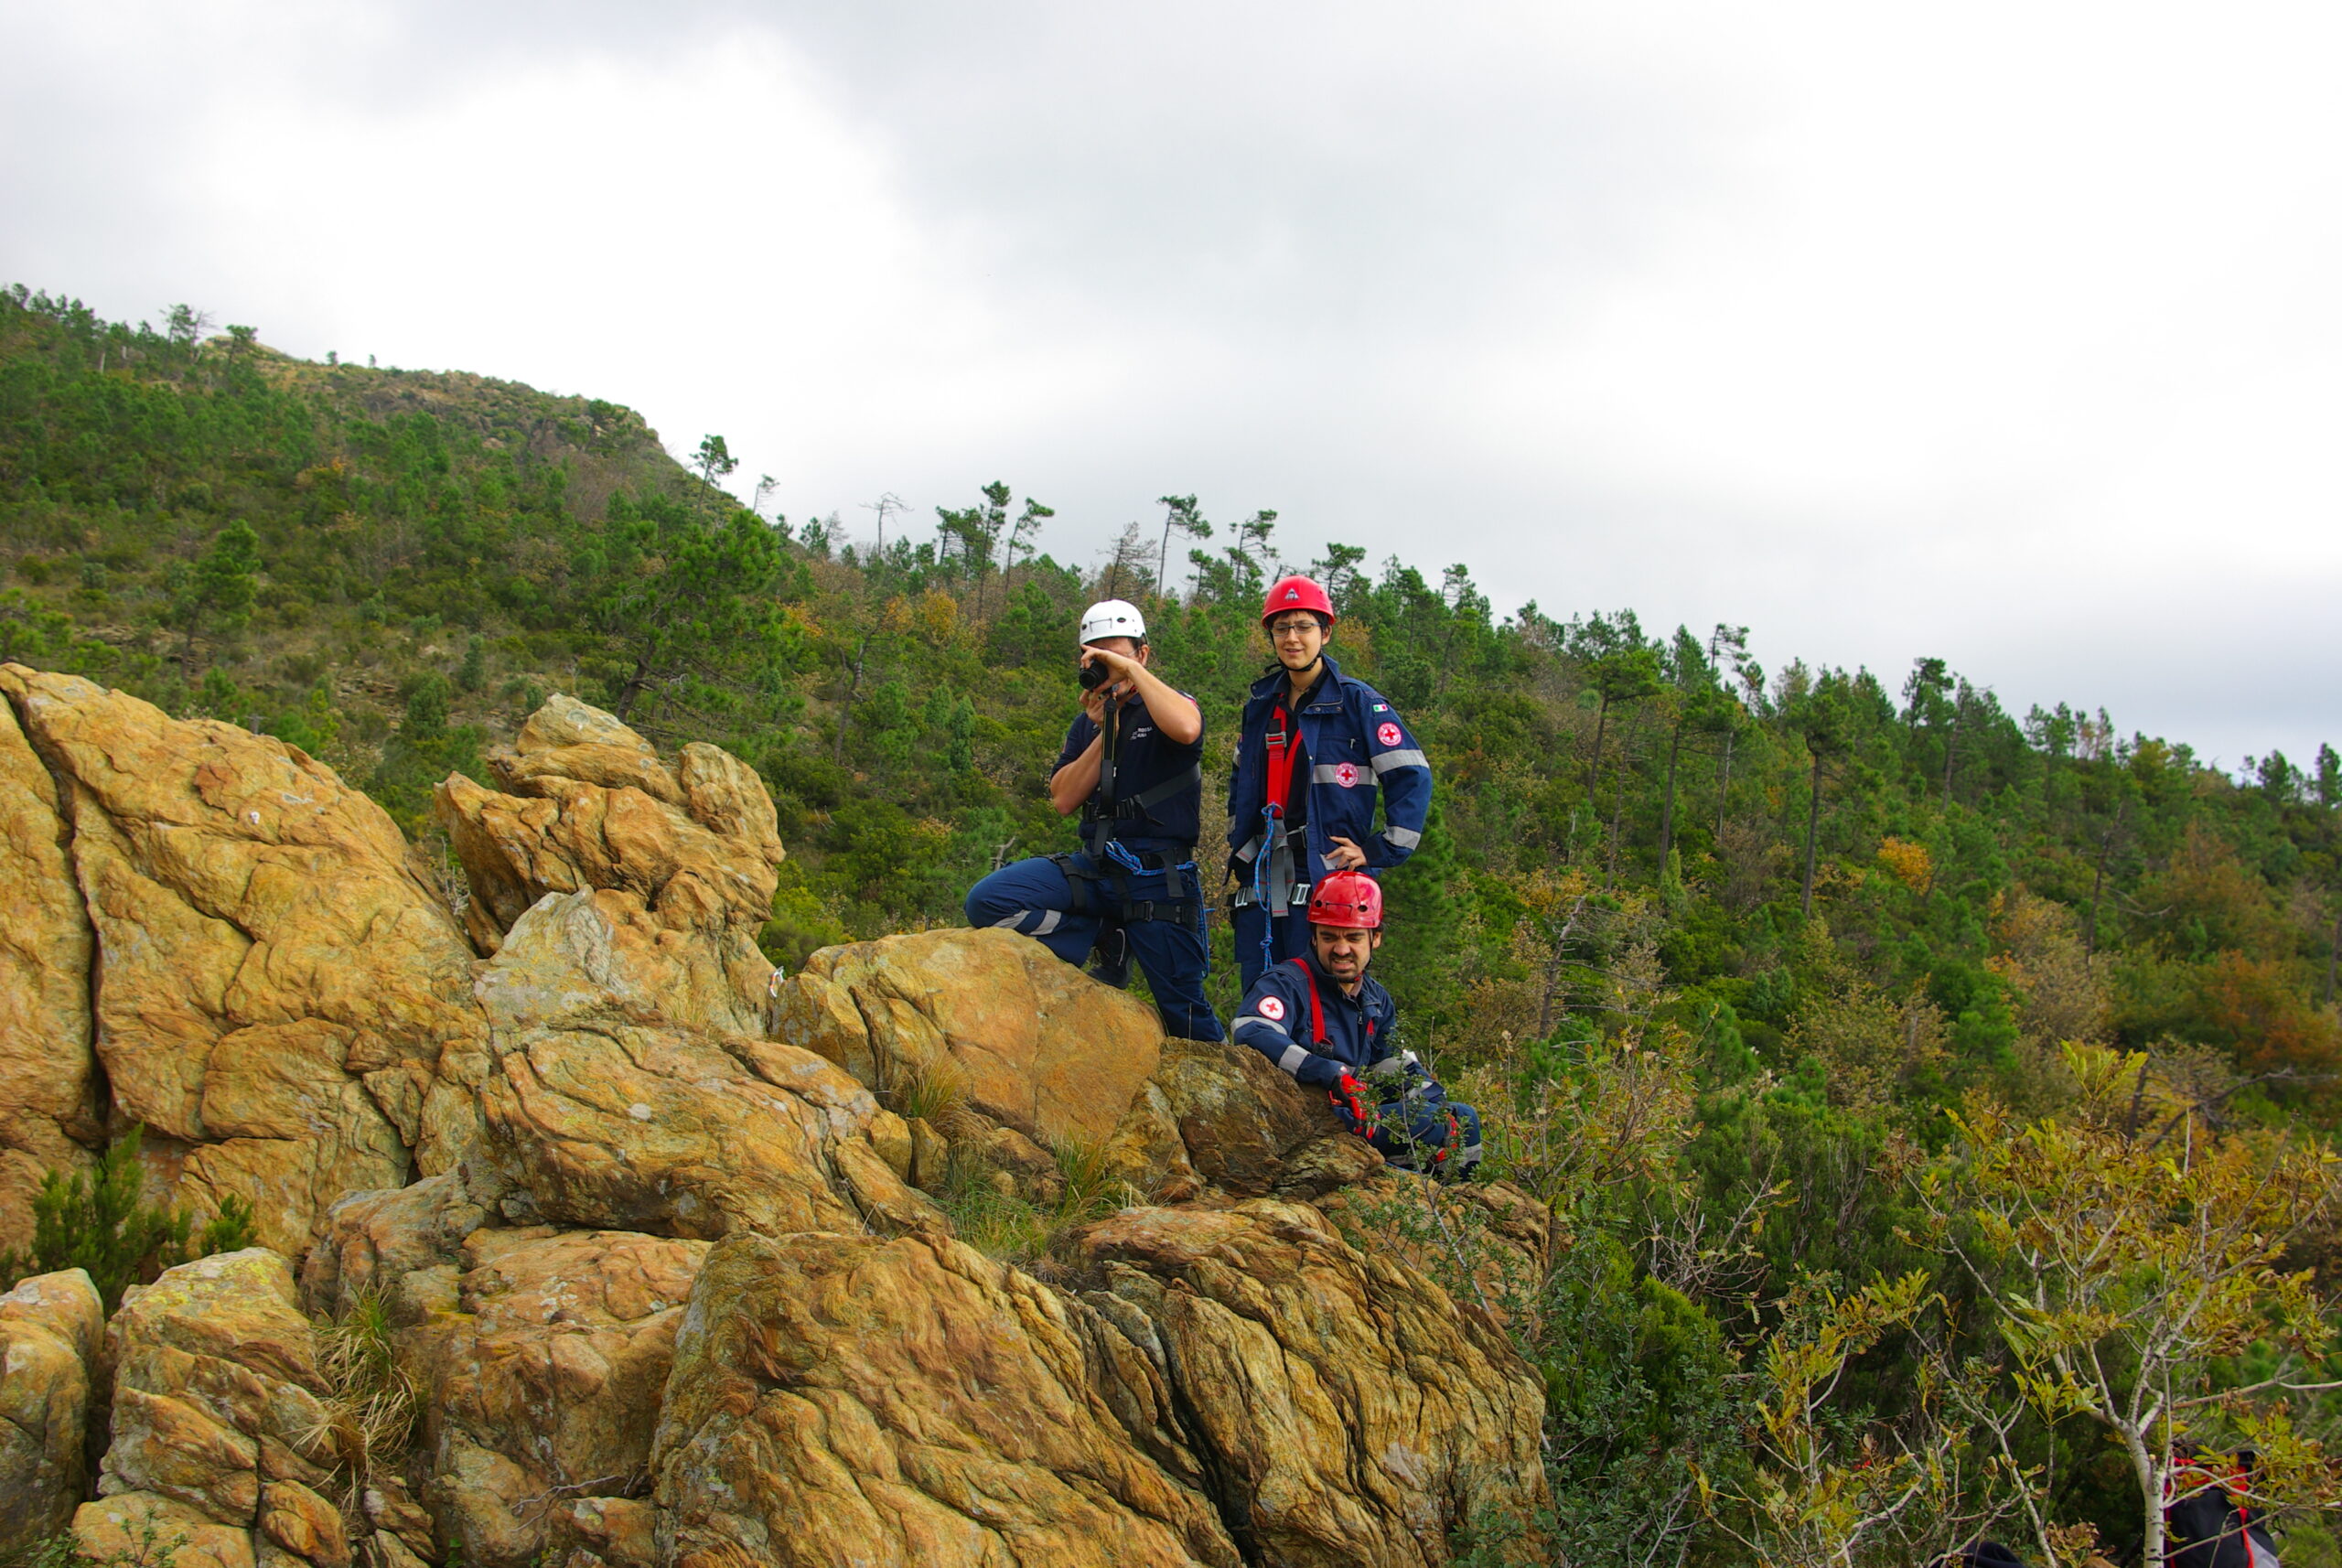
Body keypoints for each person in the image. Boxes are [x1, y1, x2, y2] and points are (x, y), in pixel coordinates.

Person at [963, 598, 1224, 1041]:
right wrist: (1107, 730)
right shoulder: (1088, 723)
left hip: (1158, 876)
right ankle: (1104, 935)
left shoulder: (1169, 704)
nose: (1106, 668)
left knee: (1184, 1011)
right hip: (1097, 867)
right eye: (1094, 656)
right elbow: (1064, 798)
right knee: (987, 902)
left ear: (1142, 653)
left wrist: (1130, 676)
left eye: (1115, 654)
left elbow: (1186, 729)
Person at [1227, 574, 1433, 992]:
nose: (1292, 638)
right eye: (1281, 628)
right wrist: (1240, 844)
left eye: (1304, 626)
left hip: (1327, 870)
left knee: (1321, 990)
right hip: (1265, 869)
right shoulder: (1262, 706)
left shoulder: (1357, 703)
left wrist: (1380, 849)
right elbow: (1240, 778)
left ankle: (1332, 1059)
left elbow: (1411, 773)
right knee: (1261, 986)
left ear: (1326, 632)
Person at [1230, 870, 1480, 1179]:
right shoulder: (1286, 983)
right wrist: (1331, 1074)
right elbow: (1251, 1030)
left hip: (1353, 1119)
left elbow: (1395, 1065)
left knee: (1460, 1117)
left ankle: (1452, 1199)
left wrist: (1433, 1098)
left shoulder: (1375, 999)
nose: (1341, 949)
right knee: (1434, 1120)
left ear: (1376, 938)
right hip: (1303, 1122)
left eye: (1353, 937)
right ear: (1314, 936)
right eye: (1329, 936)